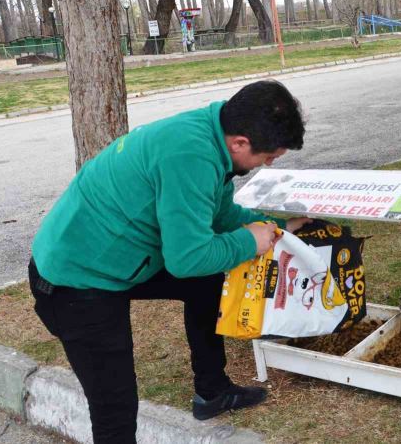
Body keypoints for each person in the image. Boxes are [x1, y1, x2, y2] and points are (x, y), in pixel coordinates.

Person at [28, 80, 309, 443]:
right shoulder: (190, 154)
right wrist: (247, 241)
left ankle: (212, 391)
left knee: (208, 282)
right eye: (268, 157)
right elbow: (187, 258)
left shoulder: (212, 136)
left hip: (116, 256)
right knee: (115, 408)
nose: (266, 165)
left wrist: (277, 228)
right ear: (240, 142)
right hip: (74, 280)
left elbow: (219, 214)